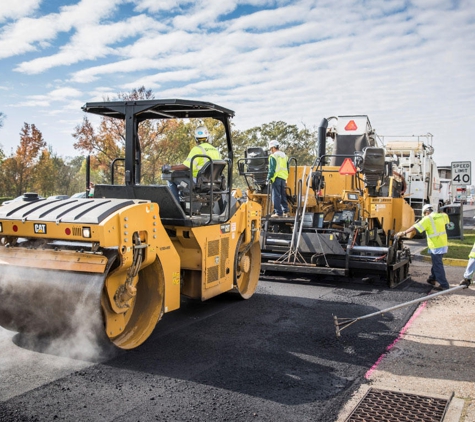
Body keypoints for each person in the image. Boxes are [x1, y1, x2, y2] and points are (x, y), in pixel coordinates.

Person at [396, 204, 450, 291]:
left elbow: (415, 227)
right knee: (436, 262)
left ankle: (444, 284)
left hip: (435, 245)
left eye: (425, 214)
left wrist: (404, 232)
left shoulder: (427, 218)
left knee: (437, 265)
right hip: (443, 244)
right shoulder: (442, 216)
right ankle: (432, 278)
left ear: (426, 212)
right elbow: (445, 215)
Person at [162, 126, 221, 202]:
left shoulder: (197, 149)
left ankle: (176, 206)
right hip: (214, 183)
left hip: (197, 183)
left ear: (196, 139)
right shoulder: (216, 150)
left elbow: (186, 166)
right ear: (207, 138)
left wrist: (170, 167)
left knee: (171, 177)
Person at [267, 140, 289, 218]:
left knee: (275, 195)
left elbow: (272, 169)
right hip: (283, 177)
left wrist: (268, 178)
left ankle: (278, 212)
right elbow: (287, 168)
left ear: (273, 148)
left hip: (276, 178)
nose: (271, 151)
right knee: (283, 194)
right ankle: (285, 211)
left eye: (270, 149)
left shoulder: (273, 156)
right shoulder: (285, 156)